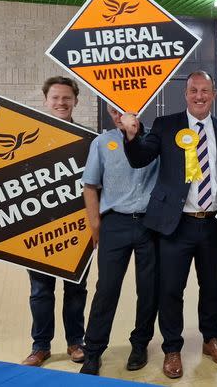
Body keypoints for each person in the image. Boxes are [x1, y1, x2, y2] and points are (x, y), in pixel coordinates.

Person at [0, 77, 92, 366]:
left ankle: (75, 342)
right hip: (34, 230)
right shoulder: (29, 133)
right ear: (46, 101)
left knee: (76, 290)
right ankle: (41, 345)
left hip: (77, 229)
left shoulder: (88, 138)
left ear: (76, 101)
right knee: (40, 291)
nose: (61, 103)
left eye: (66, 98)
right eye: (56, 98)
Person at [122, 71, 217, 379]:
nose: (199, 96)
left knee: (212, 286)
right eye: (193, 91)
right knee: (171, 289)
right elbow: (139, 159)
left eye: (205, 90)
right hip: (175, 224)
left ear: (213, 94)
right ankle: (172, 347)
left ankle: (211, 337)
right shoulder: (166, 125)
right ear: (185, 95)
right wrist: (132, 135)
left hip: (213, 225)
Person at [79, 104, 159, 375]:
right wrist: (96, 227)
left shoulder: (154, 140)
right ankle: (93, 350)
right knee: (107, 290)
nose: (119, 115)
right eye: (114, 111)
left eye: (125, 110)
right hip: (115, 223)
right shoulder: (101, 143)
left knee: (148, 289)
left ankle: (140, 344)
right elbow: (90, 185)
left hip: (150, 224)